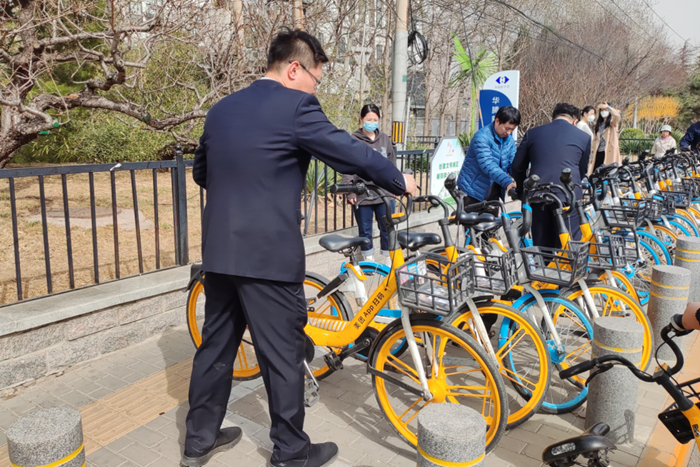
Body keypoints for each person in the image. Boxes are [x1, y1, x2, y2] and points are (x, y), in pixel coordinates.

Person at [186, 28, 416, 467]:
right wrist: (397, 178)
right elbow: (346, 149)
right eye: (316, 79)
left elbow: (202, 172)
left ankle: (198, 441)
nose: (316, 89)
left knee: (215, 348)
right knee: (283, 355)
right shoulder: (296, 106)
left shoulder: (221, 110)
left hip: (220, 252)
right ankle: (291, 453)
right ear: (295, 68)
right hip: (268, 257)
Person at [511, 103, 591, 249]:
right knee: (569, 247)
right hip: (568, 197)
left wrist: (522, 190)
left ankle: (544, 263)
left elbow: (517, 166)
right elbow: (582, 170)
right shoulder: (584, 137)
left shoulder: (532, 133)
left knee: (542, 247)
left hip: (538, 195)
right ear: (575, 121)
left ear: (552, 118)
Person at [341, 104, 396, 262]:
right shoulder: (354, 140)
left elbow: (392, 164)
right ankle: (368, 261)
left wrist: (395, 186)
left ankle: (389, 260)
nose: (372, 122)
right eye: (369, 119)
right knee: (365, 230)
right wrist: (350, 191)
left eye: (375, 120)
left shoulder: (384, 139)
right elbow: (347, 165)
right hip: (362, 192)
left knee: (388, 227)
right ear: (361, 119)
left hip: (384, 192)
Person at [456, 106, 520, 207]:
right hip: (472, 190)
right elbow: (487, 164)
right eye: (507, 128)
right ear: (497, 121)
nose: (509, 132)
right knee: (471, 218)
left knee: (492, 217)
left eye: (512, 129)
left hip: (493, 189)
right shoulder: (481, 137)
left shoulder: (509, 141)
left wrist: (523, 179)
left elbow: (512, 164)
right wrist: (507, 182)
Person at [589, 102, 621, 174]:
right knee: (596, 174)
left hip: (608, 152)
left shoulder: (613, 123)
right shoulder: (599, 125)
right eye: (602, 110)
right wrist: (591, 155)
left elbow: (617, 115)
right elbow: (594, 141)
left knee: (607, 173)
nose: (604, 112)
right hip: (598, 152)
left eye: (605, 110)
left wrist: (608, 107)